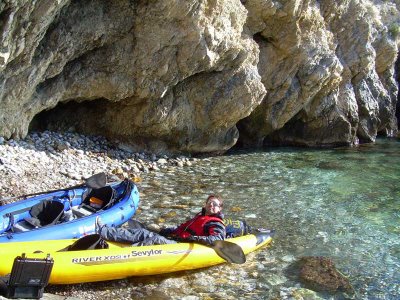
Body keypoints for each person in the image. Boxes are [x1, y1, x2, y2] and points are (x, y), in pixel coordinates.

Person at [96, 194, 225, 246]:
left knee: (153, 238)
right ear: (205, 204)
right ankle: (105, 231)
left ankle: (126, 253)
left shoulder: (215, 223)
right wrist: (165, 230)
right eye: (210, 203)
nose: (211, 205)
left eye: (215, 204)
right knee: (146, 232)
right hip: (178, 240)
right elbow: (182, 229)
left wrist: (194, 239)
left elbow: (217, 239)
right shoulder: (200, 217)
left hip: (184, 246)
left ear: (219, 209)